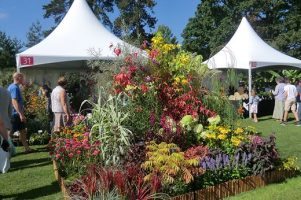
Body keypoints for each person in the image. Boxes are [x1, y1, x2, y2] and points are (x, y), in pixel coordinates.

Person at [7, 72, 33, 153]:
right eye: (22, 78)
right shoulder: (14, 88)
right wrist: (21, 114)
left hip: (17, 113)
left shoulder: (13, 86)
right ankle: (4, 149)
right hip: (15, 114)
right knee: (10, 132)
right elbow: (14, 101)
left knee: (22, 131)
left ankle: (27, 148)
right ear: (18, 78)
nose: (24, 79)